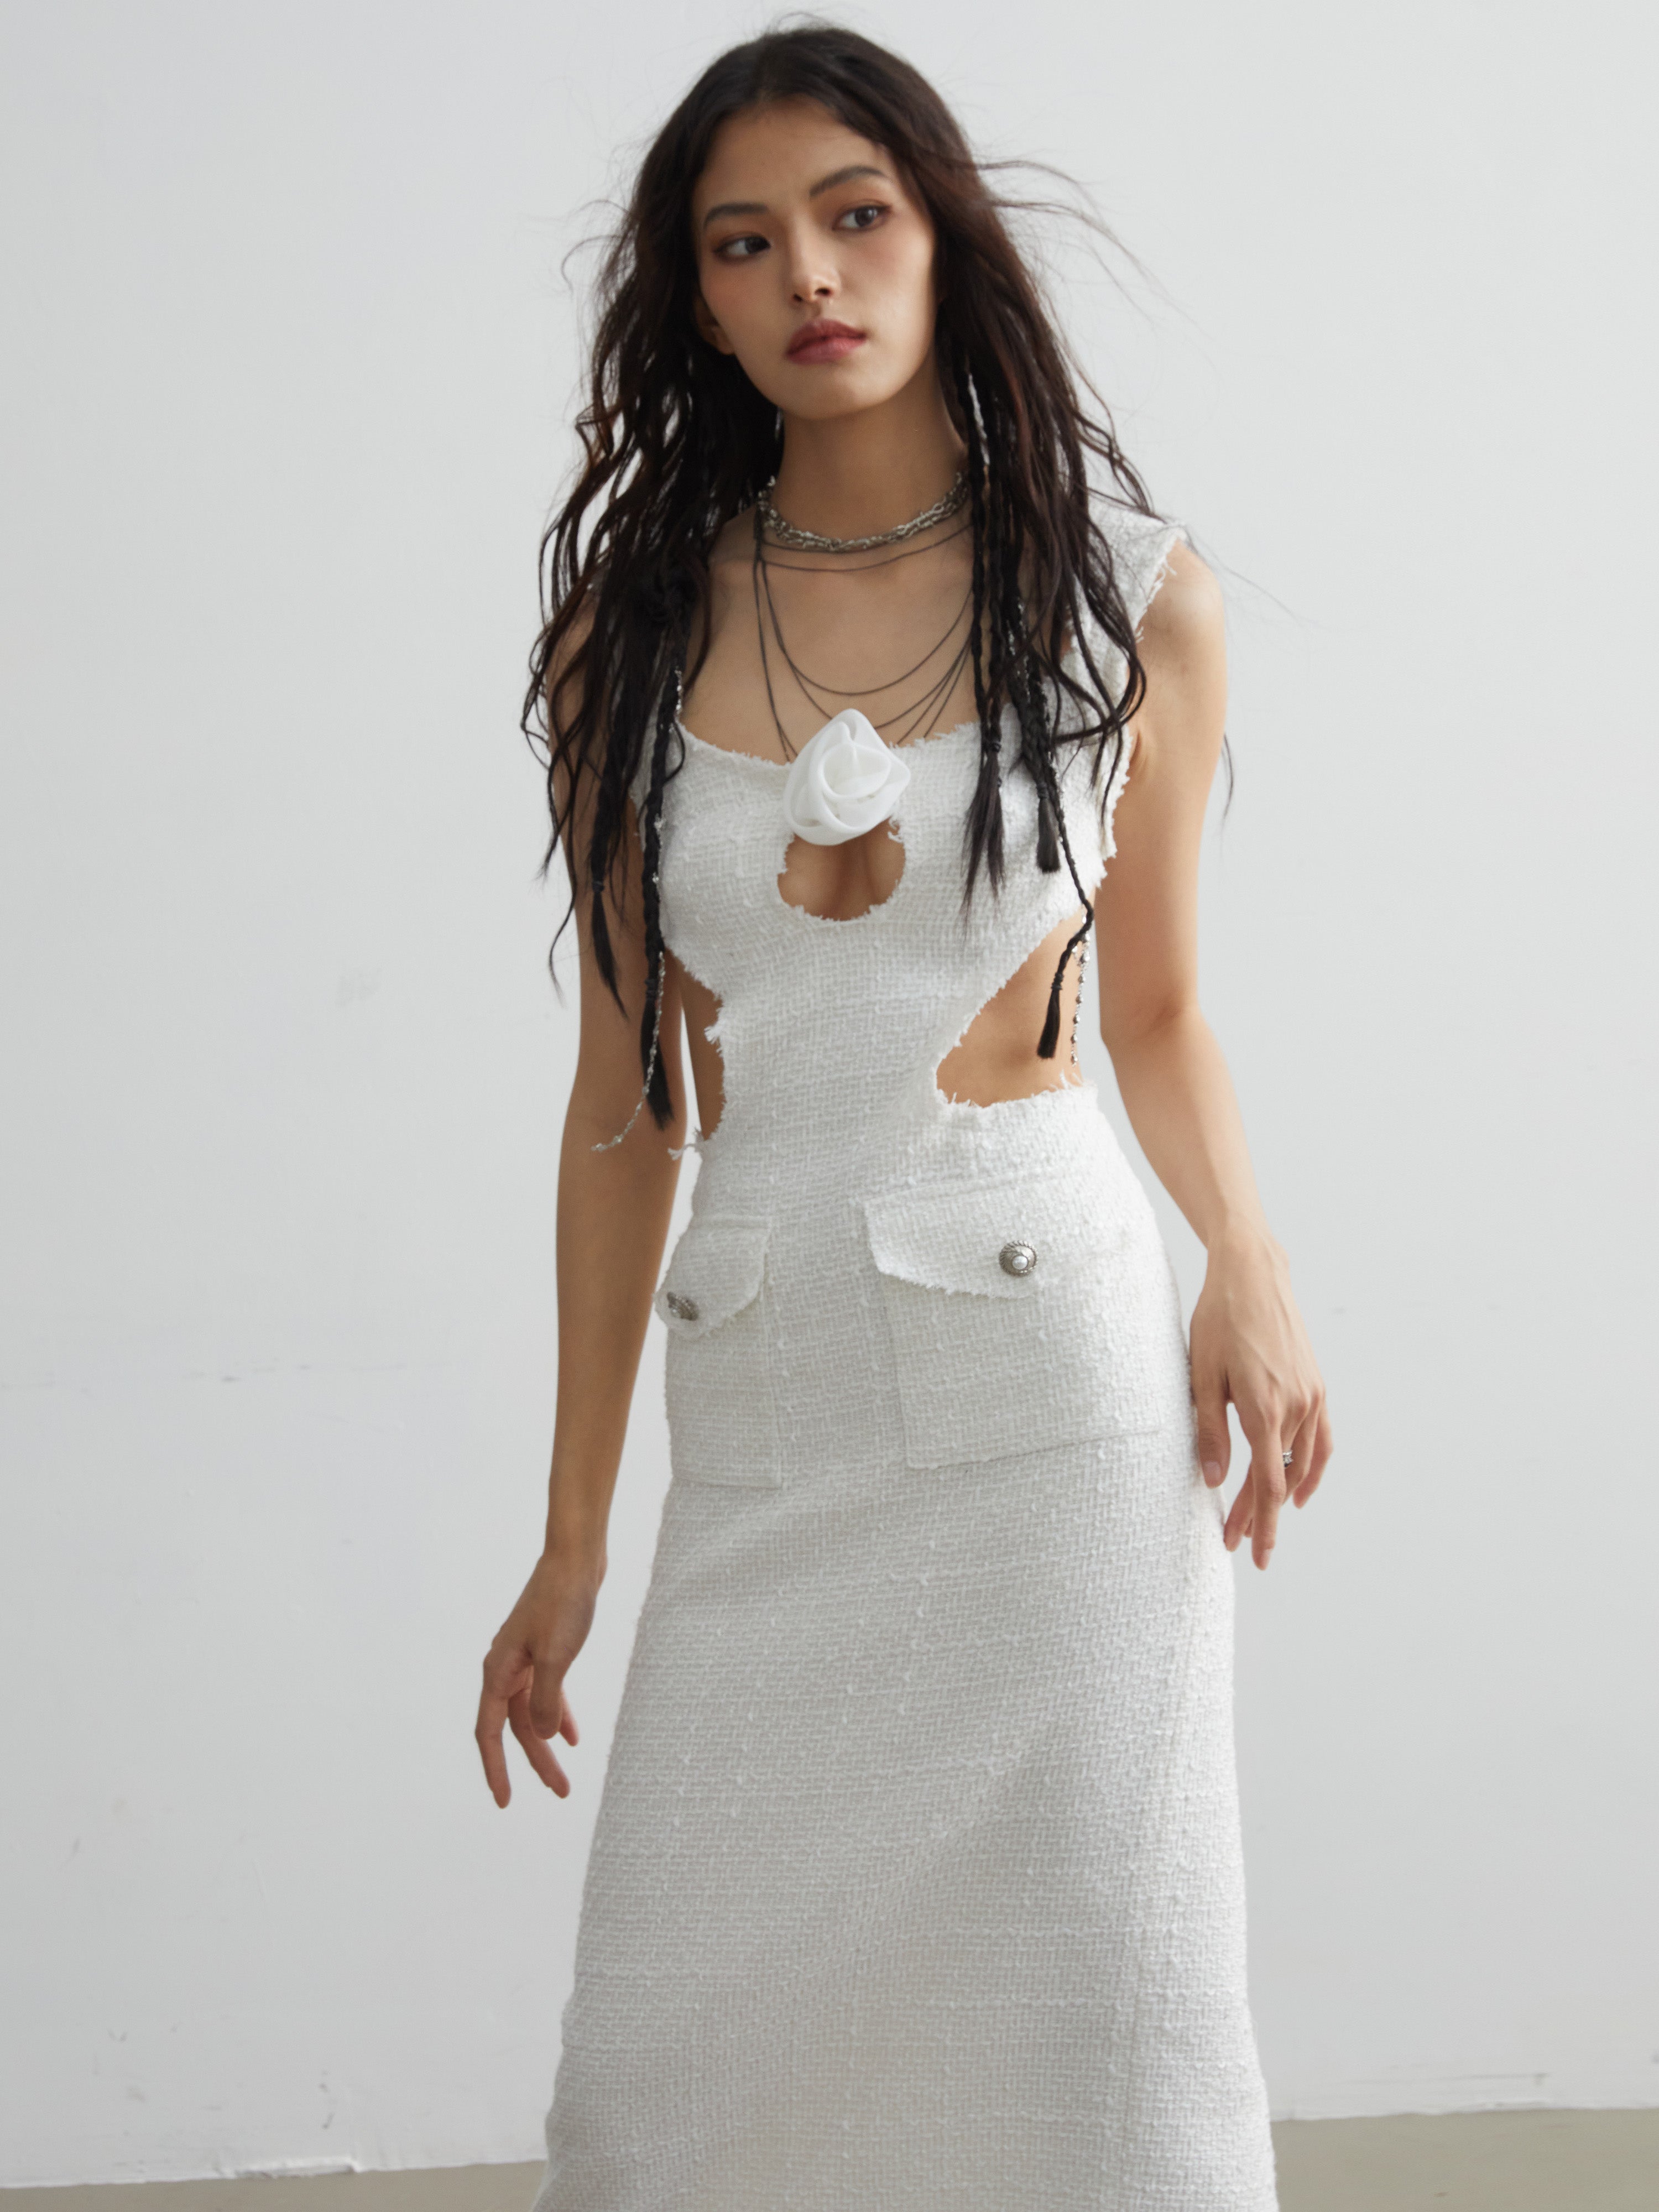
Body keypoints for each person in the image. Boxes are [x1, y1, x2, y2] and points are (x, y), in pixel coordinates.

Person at [477, 25, 1332, 2211]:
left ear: (942, 235)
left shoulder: (1128, 593)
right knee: (669, 2071)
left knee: (1099, 2014)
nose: (809, 275)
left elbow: (1160, 1011)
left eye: (855, 216)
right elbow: (622, 1111)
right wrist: (573, 1535)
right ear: (697, 301)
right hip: (769, 1410)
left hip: (1056, 1407)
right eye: (742, 242)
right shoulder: (624, 642)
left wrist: (1248, 1265)